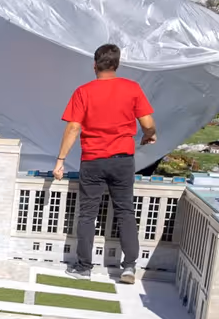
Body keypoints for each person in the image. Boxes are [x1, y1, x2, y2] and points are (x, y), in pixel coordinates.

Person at [54, 44, 156, 284]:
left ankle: (84, 267)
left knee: (88, 214)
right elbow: (147, 121)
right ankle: (129, 266)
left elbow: (73, 127)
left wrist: (60, 160)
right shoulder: (132, 89)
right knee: (125, 212)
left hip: (93, 159)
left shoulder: (83, 92)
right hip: (122, 160)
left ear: (94, 65)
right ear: (117, 65)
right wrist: (149, 134)